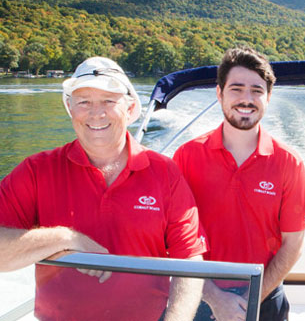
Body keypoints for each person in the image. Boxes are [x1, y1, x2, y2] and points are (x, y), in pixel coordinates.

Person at [0, 57, 207, 321]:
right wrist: (65, 238)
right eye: (84, 102)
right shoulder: (36, 171)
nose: (96, 113)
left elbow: (189, 261)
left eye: (109, 101)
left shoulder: (166, 174)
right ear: (70, 108)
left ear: (131, 109)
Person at [173, 46, 305, 321]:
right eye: (236, 89)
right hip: (200, 295)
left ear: (268, 97)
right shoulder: (187, 157)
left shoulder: (288, 162)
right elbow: (175, 239)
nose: (246, 99)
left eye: (256, 91)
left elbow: (293, 243)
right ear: (219, 94)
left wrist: (250, 300)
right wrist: (215, 298)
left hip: (265, 296)